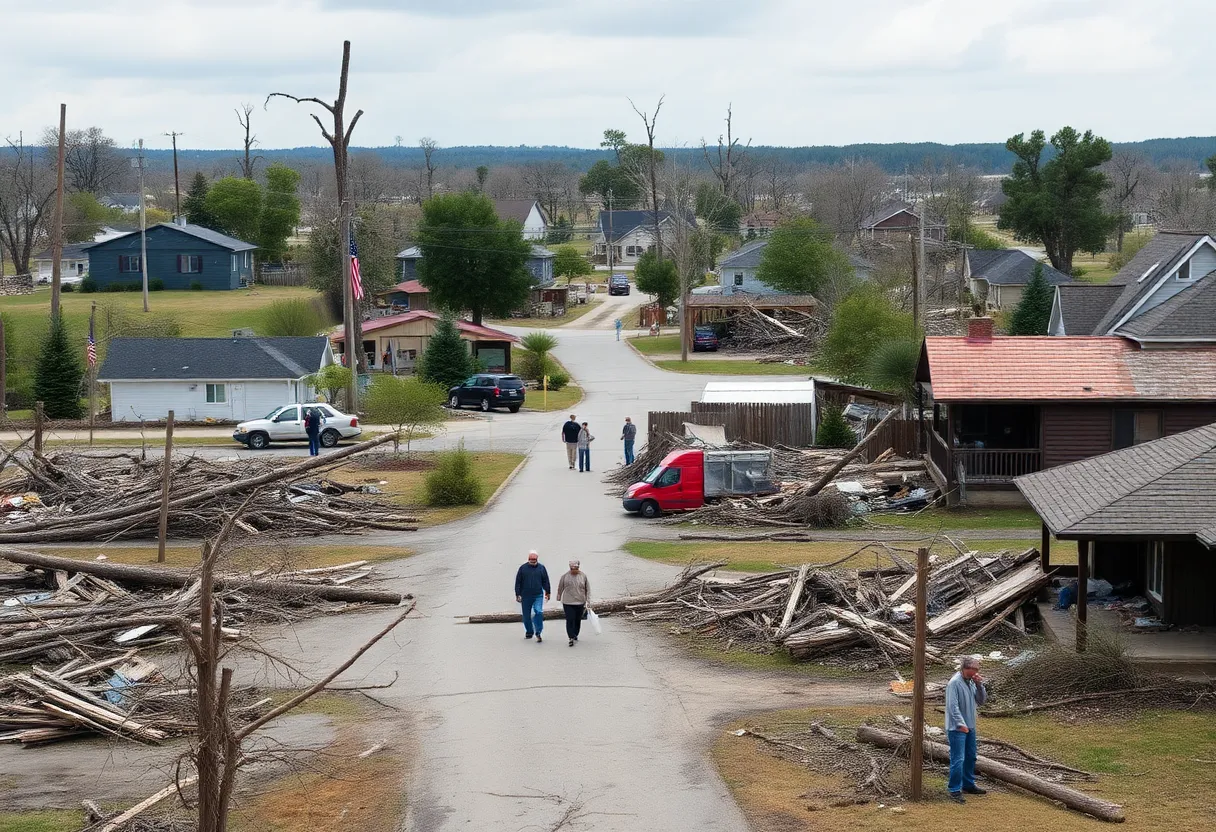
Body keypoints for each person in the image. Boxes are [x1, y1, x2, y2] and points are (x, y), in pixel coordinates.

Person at [945, 656, 988, 804]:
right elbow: (952, 706)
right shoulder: (954, 683)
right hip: (957, 727)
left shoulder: (971, 682)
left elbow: (981, 701)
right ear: (965, 668)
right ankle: (954, 789)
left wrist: (980, 685)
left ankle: (968, 785)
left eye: (978, 669)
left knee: (971, 756)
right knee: (958, 758)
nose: (977, 671)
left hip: (970, 725)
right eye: (974, 669)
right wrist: (960, 723)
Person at [514, 550, 550, 642]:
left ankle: (538, 631)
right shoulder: (522, 568)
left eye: (534, 559)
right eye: (530, 559)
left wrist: (547, 592)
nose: (532, 560)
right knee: (526, 615)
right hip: (525, 596)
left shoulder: (541, 568)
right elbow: (518, 582)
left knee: (538, 612)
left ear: (537, 559)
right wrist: (518, 594)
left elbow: (545, 580)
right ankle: (529, 631)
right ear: (528, 558)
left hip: (538, 595)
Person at [556, 559, 591, 646]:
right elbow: (560, 587)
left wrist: (588, 601)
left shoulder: (583, 576)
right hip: (568, 602)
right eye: (572, 568)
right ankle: (570, 637)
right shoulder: (565, 576)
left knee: (577, 620)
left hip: (580, 602)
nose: (573, 570)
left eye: (575, 568)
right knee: (570, 619)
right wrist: (559, 596)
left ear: (578, 567)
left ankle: (575, 634)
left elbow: (588, 589)